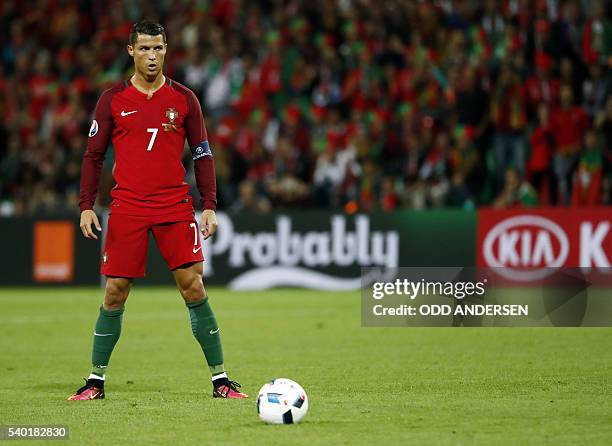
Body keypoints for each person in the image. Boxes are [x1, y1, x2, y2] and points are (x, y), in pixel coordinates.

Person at [69, 21, 247, 400]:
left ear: (167, 50)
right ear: (130, 51)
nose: (153, 56)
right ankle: (95, 382)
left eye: (159, 49)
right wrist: (86, 205)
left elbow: (203, 154)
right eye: (146, 49)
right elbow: (93, 156)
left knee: (194, 286)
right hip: (129, 206)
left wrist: (210, 206)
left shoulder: (185, 99)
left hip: (174, 206)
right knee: (114, 293)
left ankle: (221, 381)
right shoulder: (112, 100)